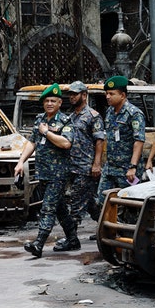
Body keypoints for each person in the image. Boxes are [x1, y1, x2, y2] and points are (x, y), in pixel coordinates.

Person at [14, 83, 76, 258]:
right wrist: (20, 162)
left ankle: (39, 244)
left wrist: (47, 133)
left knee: (48, 208)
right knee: (60, 208)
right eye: (46, 100)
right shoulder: (40, 119)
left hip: (58, 174)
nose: (49, 103)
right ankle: (73, 239)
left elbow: (66, 143)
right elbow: (32, 142)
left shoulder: (65, 121)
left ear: (59, 103)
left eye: (53, 101)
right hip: (43, 172)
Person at [54, 80, 104, 250]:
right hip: (71, 166)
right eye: (70, 94)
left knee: (76, 203)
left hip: (85, 167)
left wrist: (96, 164)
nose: (72, 97)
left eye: (75, 94)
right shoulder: (70, 116)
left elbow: (99, 141)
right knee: (89, 202)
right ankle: (108, 227)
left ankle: (71, 239)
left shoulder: (93, 116)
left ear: (84, 95)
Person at [95, 75, 145, 209]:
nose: (107, 96)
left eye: (111, 94)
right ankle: (114, 228)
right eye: (106, 93)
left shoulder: (134, 113)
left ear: (122, 95)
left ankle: (129, 229)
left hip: (126, 169)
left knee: (130, 205)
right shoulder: (110, 112)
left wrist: (133, 166)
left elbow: (139, 141)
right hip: (110, 167)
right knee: (102, 201)